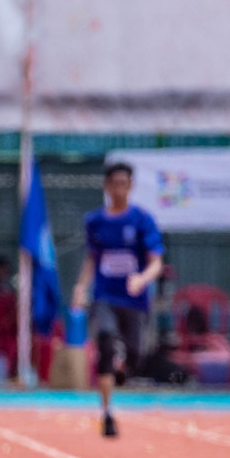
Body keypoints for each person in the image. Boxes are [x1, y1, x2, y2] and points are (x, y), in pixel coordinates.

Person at [72, 161, 164, 439]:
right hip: (104, 296)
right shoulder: (95, 222)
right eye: (115, 184)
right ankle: (107, 411)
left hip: (134, 300)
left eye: (125, 184)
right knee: (105, 339)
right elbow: (92, 259)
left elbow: (156, 263)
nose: (120, 189)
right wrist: (81, 287)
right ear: (107, 187)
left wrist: (142, 279)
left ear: (131, 187)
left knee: (137, 354)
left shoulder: (142, 221)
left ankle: (124, 368)